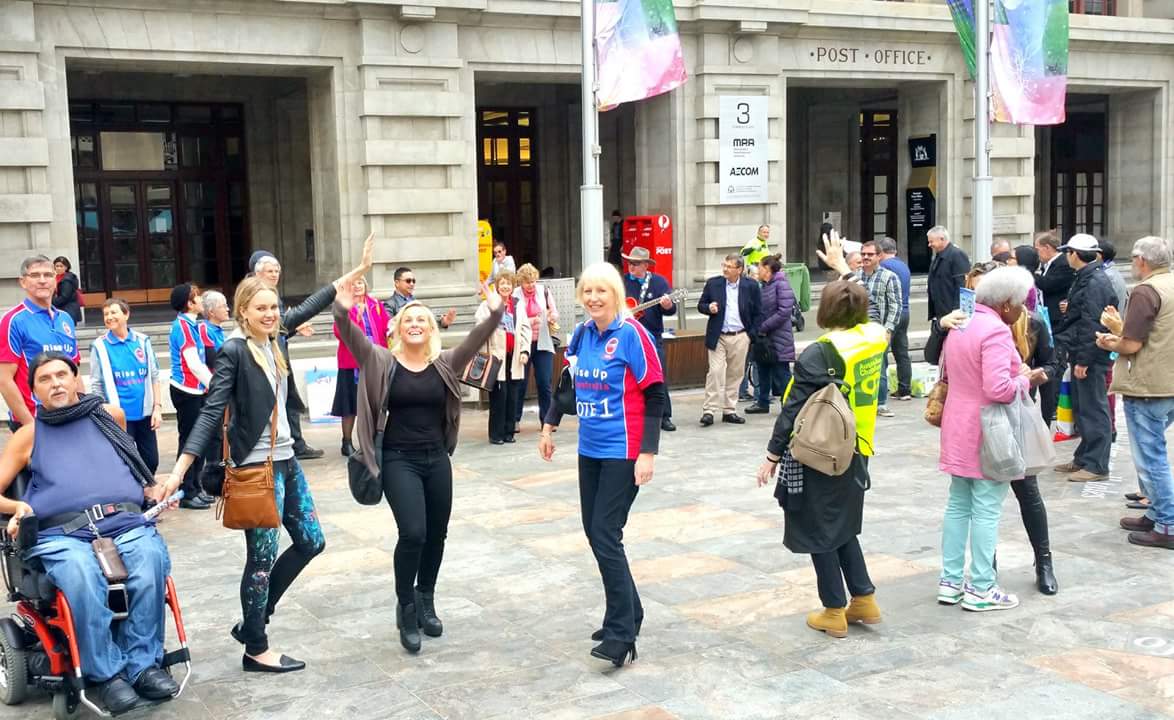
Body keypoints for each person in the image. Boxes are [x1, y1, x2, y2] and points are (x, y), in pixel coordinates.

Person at [166, 239, 370, 673]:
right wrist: (180, 467)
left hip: (286, 462)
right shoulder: (234, 351)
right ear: (243, 312)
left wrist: (351, 273)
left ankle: (254, 620)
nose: (272, 314)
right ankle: (255, 646)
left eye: (274, 308)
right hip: (254, 468)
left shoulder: (274, 337)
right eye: (262, 309)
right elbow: (210, 412)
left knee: (312, 541)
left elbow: (310, 307)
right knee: (259, 559)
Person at [335, 272, 503, 655]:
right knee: (413, 532)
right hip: (397, 459)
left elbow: (478, 338)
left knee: (437, 533)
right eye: (408, 319)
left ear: (430, 329)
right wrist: (342, 310)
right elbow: (350, 335)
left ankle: (425, 596)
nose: (415, 324)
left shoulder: (445, 363)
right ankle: (406, 606)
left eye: (421, 320)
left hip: (436, 458)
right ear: (397, 328)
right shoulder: (381, 360)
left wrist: (495, 313)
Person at [0, 352, 177, 713]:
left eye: (62, 375)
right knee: (80, 574)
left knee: (150, 559)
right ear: (33, 390)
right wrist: (19, 507)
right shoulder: (29, 436)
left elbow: (125, 467)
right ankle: (107, 674)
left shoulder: (110, 417)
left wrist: (152, 490)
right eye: (45, 379)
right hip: (61, 533)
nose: (56, 384)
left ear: (76, 377)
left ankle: (143, 665)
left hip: (123, 522)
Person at [539, 262, 666, 667]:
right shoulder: (581, 335)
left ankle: (621, 634)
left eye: (602, 291)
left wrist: (647, 453)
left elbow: (656, 395)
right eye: (587, 291)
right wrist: (548, 426)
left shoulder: (632, 335)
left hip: (624, 450)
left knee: (606, 534)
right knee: (596, 534)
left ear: (615, 294)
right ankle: (629, 612)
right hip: (589, 449)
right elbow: (567, 387)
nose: (594, 298)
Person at [755, 274, 885, 638]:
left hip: (823, 451)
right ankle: (863, 597)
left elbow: (793, 409)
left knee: (819, 529)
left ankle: (833, 609)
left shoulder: (823, 351)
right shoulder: (874, 338)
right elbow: (870, 315)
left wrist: (772, 455)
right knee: (842, 524)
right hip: (859, 447)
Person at [930, 262, 1063, 595]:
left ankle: (950, 581)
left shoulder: (961, 323)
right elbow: (998, 389)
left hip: (958, 424)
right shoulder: (995, 330)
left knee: (958, 505)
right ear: (1006, 303)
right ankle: (982, 587)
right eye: (1020, 303)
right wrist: (1023, 377)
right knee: (987, 508)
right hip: (988, 430)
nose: (1022, 310)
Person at [1097, 236, 1174, 550]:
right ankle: (1157, 513)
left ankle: (1167, 523)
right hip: (1167, 381)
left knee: (1151, 457)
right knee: (1153, 452)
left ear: (1142, 261)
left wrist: (1108, 341)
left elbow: (1132, 344)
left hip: (1148, 385)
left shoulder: (1146, 290)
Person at [1052, 234, 1118, 482]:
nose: (1066, 256)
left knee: (1093, 409)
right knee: (1082, 408)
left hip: (1091, 356)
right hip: (1081, 351)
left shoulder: (1095, 281)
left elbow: (1092, 324)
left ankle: (1096, 465)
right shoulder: (1086, 277)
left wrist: (1083, 360)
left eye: (1068, 252)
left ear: (1075, 254)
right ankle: (1084, 458)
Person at [250, 253, 326, 461]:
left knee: (290, 400)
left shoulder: (272, 294)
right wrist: (293, 324)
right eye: (270, 271)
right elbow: (269, 328)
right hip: (266, 357)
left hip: (281, 355)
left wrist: (294, 329)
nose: (275, 275)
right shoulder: (255, 295)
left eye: (277, 271)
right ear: (258, 274)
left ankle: (295, 443)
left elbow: (278, 329)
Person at [0, 255, 83, 430]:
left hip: (69, 417)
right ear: (23, 282)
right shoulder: (13, 320)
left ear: (55, 280)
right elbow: (4, 379)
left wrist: (83, 413)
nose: (42, 280)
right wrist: (31, 426)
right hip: (35, 420)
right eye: (35, 275)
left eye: (48, 275)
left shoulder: (65, 319)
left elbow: (74, 371)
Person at [89, 298, 164, 476]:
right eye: (106, 314)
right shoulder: (99, 346)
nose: (109, 317)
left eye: (113, 312)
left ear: (126, 314)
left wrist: (157, 408)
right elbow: (96, 384)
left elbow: (154, 376)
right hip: (119, 416)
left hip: (145, 414)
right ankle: (137, 498)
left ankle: (148, 492)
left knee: (151, 460)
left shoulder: (143, 341)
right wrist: (104, 412)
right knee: (126, 461)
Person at [698, 255, 761, 426]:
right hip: (718, 335)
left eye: (729, 266)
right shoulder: (713, 283)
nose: (725, 269)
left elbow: (758, 312)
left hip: (740, 335)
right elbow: (701, 304)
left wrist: (750, 335)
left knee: (735, 373)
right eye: (724, 265)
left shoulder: (751, 286)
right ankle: (709, 410)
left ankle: (729, 410)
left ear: (739, 270)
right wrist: (708, 308)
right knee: (715, 372)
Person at [331, 276, 391, 456]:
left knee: (375, 401)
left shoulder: (376, 305)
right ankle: (347, 441)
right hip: (351, 362)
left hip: (375, 360)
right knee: (349, 404)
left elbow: (387, 327)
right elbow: (338, 331)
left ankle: (373, 438)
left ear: (365, 285)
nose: (357, 286)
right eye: (352, 283)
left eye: (360, 282)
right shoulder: (344, 306)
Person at [622, 246, 678, 431]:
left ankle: (664, 416)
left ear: (646, 265)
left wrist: (668, 305)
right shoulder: (622, 283)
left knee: (658, 376)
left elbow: (670, 310)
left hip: (652, 337)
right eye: (630, 263)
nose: (631, 266)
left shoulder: (659, 282)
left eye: (636, 264)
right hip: (627, 337)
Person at [167, 283, 212, 510]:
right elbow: (193, 364)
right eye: (198, 297)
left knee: (200, 440)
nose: (202, 300)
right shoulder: (182, 326)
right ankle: (187, 491)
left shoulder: (192, 325)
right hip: (187, 390)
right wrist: (214, 385)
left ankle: (196, 486)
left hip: (197, 390)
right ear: (189, 303)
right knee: (190, 441)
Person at [476, 271, 531, 444]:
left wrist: (524, 351)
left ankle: (509, 432)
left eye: (508, 283)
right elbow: (480, 325)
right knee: (499, 395)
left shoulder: (517, 305)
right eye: (502, 283)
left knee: (513, 395)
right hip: (496, 355)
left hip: (514, 356)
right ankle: (496, 434)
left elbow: (525, 329)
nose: (505, 286)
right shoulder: (487, 305)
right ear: (497, 286)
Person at [1033, 230, 1074, 423]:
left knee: (1056, 363)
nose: (1037, 253)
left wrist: (1030, 273)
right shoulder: (1049, 264)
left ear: (1048, 248)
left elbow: (1048, 285)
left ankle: (1053, 407)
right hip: (1049, 318)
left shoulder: (1063, 265)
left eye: (1038, 248)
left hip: (1058, 321)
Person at [512, 263, 560, 430]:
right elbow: (513, 319)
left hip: (543, 341)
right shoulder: (515, 295)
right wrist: (531, 321)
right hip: (523, 343)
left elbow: (554, 311)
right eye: (527, 282)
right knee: (520, 382)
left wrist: (552, 317)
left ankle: (547, 420)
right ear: (520, 283)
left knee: (544, 382)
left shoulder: (544, 291)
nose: (530, 286)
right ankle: (515, 419)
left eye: (532, 281)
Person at [746, 255, 796, 415]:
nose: (757, 271)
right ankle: (762, 402)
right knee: (762, 368)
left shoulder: (781, 284)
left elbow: (784, 311)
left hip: (778, 336)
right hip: (764, 337)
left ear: (767, 269)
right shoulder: (764, 286)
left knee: (782, 371)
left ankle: (788, 403)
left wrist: (764, 327)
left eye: (759, 267)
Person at [858, 240, 902, 417]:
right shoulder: (855, 275)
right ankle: (863, 401)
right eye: (863, 254)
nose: (866, 257)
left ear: (879, 256)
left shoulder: (889, 277)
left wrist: (888, 329)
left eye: (870, 254)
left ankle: (881, 403)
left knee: (880, 366)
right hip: (858, 330)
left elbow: (895, 306)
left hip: (879, 331)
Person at [879, 237, 913, 401]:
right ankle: (905, 389)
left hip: (890, 314)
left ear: (881, 252)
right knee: (902, 352)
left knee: (882, 354)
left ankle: (881, 392)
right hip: (905, 312)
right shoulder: (903, 265)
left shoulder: (884, 267)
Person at [386, 266, 457, 329]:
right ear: (397, 283)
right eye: (408, 281)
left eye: (413, 281)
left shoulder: (416, 302)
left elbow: (428, 321)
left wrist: (443, 322)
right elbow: (389, 328)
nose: (412, 284)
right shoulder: (389, 304)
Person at [926, 225, 970, 321]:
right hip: (940, 313)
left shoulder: (957, 255)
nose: (929, 245)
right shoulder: (938, 256)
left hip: (951, 314)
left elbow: (962, 285)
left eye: (931, 241)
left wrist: (957, 310)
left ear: (942, 239)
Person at [200, 290, 229, 369]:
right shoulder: (204, 330)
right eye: (223, 306)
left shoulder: (218, 329)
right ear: (211, 312)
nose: (227, 309)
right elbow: (213, 362)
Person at [51, 256, 83, 324]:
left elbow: (65, 297)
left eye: (61, 266)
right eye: (57, 266)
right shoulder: (57, 278)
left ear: (66, 267)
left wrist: (52, 302)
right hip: (63, 309)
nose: (59, 268)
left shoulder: (67, 280)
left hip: (68, 309)